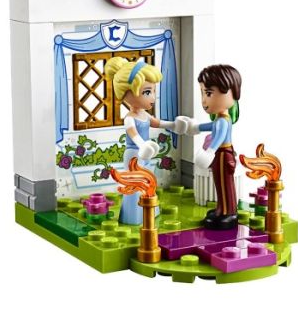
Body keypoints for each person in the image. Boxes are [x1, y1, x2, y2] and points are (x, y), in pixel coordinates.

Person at [104, 57, 187, 225]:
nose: (153, 97)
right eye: (147, 92)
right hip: (134, 154)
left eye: (154, 91)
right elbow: (133, 133)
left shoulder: (144, 114)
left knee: (149, 182)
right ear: (127, 93)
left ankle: (150, 212)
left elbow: (157, 122)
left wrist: (173, 125)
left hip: (146, 152)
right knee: (135, 185)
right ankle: (133, 216)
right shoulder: (130, 118)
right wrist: (143, 145)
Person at [179, 64, 242, 230]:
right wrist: (196, 127)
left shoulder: (223, 121)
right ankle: (222, 209)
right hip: (220, 155)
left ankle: (228, 212)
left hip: (222, 155)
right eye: (202, 93)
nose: (204, 100)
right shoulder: (220, 119)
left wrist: (210, 151)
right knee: (219, 183)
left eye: (208, 93)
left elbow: (219, 136)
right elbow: (210, 127)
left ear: (230, 93)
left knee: (224, 184)